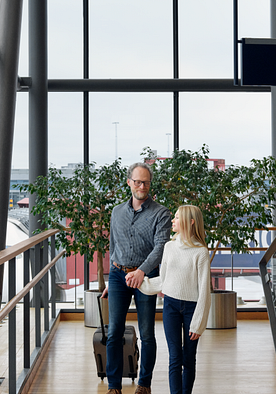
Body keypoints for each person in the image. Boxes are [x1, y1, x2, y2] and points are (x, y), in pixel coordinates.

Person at [103, 162, 172, 394]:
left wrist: (141, 271)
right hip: (117, 276)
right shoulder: (116, 212)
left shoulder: (161, 213)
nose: (142, 186)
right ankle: (114, 386)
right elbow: (113, 246)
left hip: (146, 278)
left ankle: (144, 384)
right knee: (114, 332)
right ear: (129, 182)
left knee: (146, 333)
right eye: (138, 182)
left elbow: (160, 247)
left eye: (146, 182)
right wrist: (109, 282)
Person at [137, 205, 211, 394]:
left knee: (189, 358)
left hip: (192, 309)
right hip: (170, 306)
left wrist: (198, 324)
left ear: (190, 222)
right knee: (174, 358)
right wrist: (141, 282)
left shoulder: (201, 252)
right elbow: (164, 279)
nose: (173, 221)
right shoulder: (169, 247)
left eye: (177, 218)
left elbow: (204, 291)